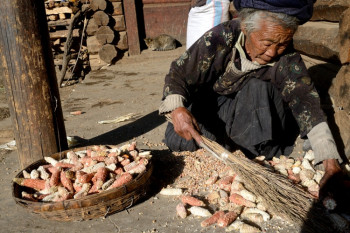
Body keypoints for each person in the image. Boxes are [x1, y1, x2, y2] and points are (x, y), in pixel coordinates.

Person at [159, 0, 347, 198]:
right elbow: (180, 72)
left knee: (257, 88)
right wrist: (177, 108)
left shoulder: (287, 59)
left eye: (282, 43)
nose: (273, 52)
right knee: (178, 139)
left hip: (255, 109)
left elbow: (306, 103)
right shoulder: (220, 37)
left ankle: (243, 146)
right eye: (266, 43)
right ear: (245, 28)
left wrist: (330, 162)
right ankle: (230, 142)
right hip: (216, 104)